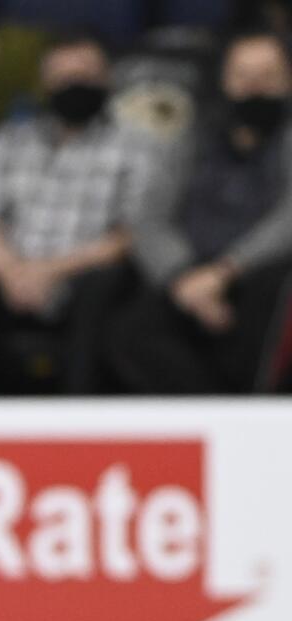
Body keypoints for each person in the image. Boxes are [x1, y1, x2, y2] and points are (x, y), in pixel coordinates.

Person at [0, 31, 155, 394]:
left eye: (85, 76)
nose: (75, 86)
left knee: (106, 285)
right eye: (63, 78)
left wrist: (47, 272)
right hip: (9, 279)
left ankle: (80, 426)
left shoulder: (137, 146)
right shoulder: (7, 140)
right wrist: (12, 273)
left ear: (107, 80)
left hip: (82, 277)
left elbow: (129, 235)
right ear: (44, 85)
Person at [110, 30, 292, 393]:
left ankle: (255, 420)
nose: (254, 88)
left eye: (267, 77)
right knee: (129, 331)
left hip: (259, 273)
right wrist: (183, 276)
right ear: (225, 80)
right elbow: (147, 217)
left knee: (273, 298)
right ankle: (213, 419)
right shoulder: (192, 137)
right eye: (244, 76)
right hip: (189, 275)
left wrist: (227, 270)